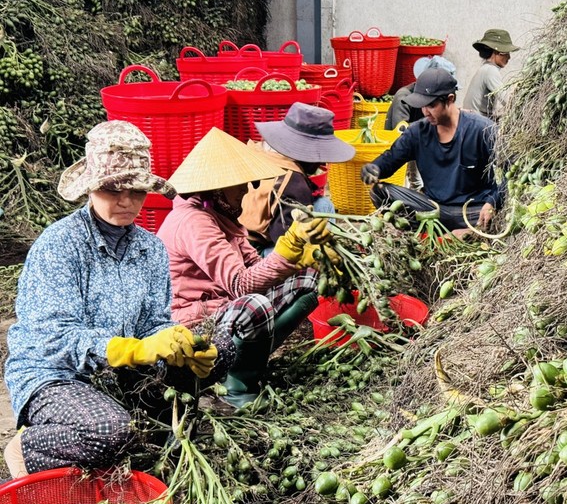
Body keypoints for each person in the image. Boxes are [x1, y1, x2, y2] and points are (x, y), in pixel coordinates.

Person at [3, 120, 217, 478]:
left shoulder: (150, 249)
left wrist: (178, 341)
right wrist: (132, 350)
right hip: (55, 374)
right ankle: (26, 448)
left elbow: (154, 322)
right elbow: (55, 338)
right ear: (90, 188)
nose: (126, 201)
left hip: (116, 372)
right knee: (111, 432)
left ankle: (122, 422)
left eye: (136, 191)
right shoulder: (60, 245)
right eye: (113, 189)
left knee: (221, 351)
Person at [157, 127, 333, 407]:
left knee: (309, 280)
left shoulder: (223, 214)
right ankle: (235, 389)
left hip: (223, 309)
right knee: (255, 306)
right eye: (240, 185)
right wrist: (286, 250)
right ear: (216, 188)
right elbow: (241, 285)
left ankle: (250, 360)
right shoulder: (194, 222)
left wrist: (301, 259)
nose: (247, 191)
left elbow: (254, 265)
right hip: (192, 325)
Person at [360, 68, 503, 232]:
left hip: (472, 211)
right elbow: (390, 159)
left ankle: (471, 232)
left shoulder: (482, 129)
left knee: (499, 210)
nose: (425, 112)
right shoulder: (417, 132)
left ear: (450, 99)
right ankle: (426, 232)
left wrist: (492, 202)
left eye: (431, 105)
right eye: (422, 106)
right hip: (432, 210)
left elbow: (513, 172)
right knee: (379, 192)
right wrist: (375, 168)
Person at [238, 102, 354, 252]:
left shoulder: (259, 148)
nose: (322, 162)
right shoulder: (293, 183)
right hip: (251, 251)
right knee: (320, 216)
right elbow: (285, 240)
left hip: (237, 234)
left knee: (323, 204)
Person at [385, 56, 458, 191]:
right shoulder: (403, 97)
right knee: (414, 181)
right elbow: (401, 132)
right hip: (401, 141)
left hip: (422, 139)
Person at [462, 28, 520, 120]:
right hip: (476, 122)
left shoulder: (485, 68)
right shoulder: (490, 71)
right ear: (495, 52)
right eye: (506, 53)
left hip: (471, 119)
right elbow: (508, 100)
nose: (509, 57)